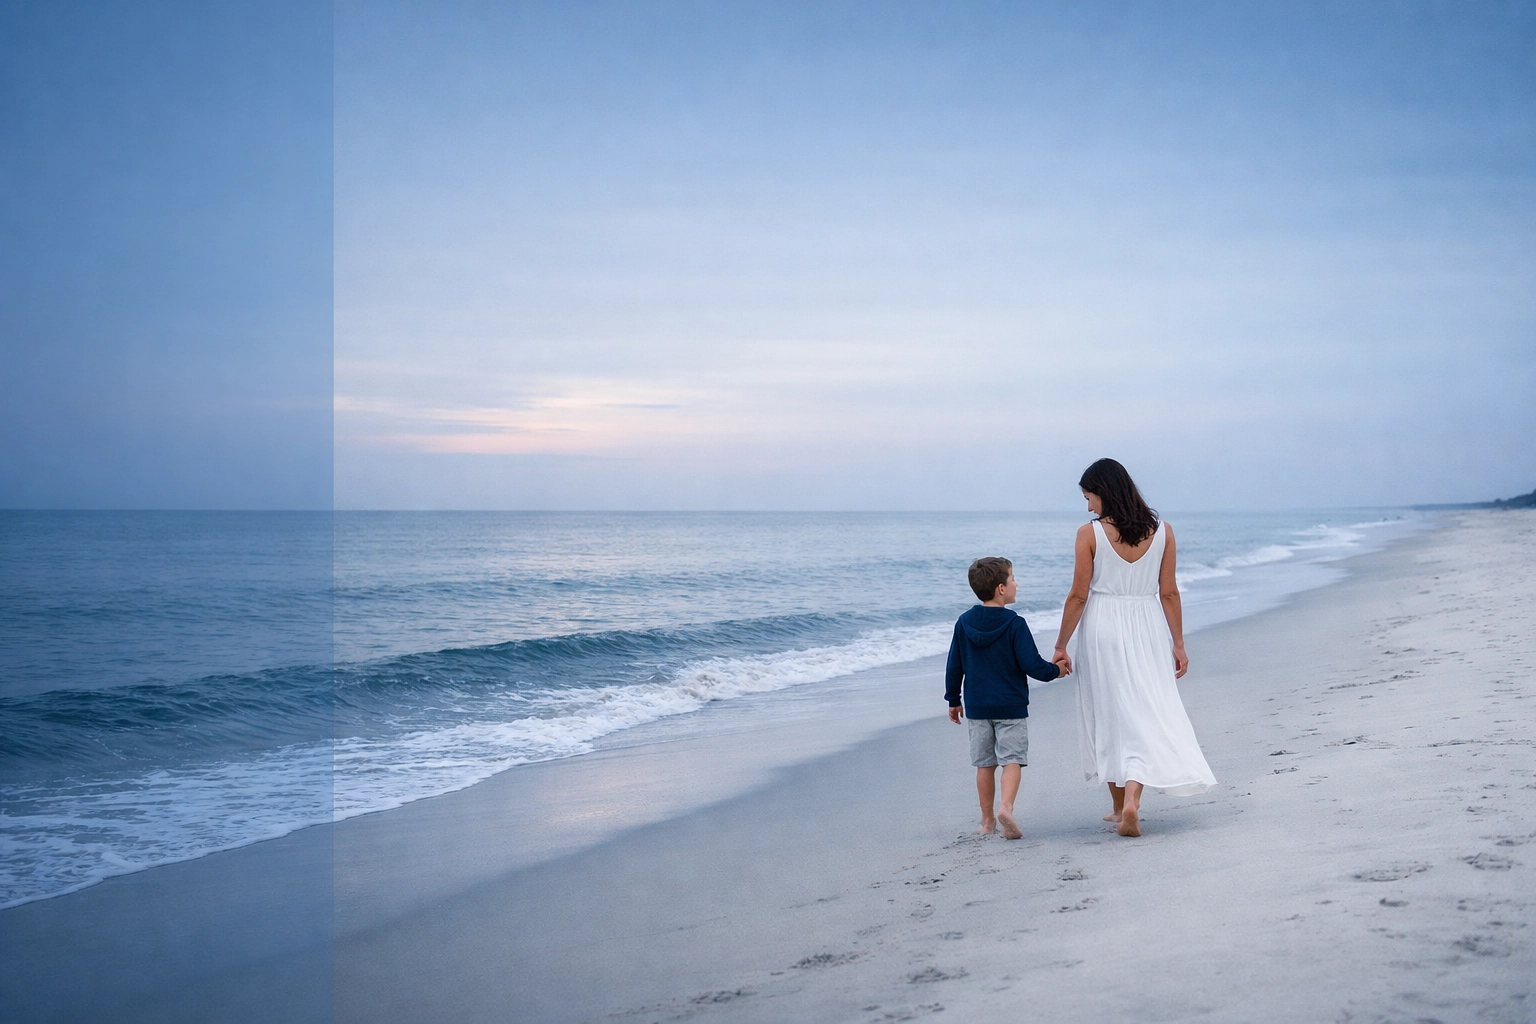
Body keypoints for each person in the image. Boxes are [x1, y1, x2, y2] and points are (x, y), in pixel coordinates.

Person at [1052, 458, 1217, 837]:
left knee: (1108, 711)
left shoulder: (1089, 534)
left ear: (1103, 493)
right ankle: (1130, 802)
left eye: (1089, 497)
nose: (1088, 506)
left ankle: (1117, 803)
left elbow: (1078, 595)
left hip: (1102, 626)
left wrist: (1061, 644)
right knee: (1143, 710)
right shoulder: (1163, 531)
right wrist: (1178, 643)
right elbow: (1169, 592)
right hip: (1148, 627)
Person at [945, 556, 1062, 840]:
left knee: (984, 764)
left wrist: (953, 699)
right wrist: (1056, 671)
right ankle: (1006, 808)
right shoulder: (1014, 623)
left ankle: (986, 822)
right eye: (1012, 579)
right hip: (1010, 705)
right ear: (1001, 588)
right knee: (1012, 759)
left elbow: (954, 665)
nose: (1016, 584)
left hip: (977, 706)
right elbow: (1031, 664)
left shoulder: (964, 623)